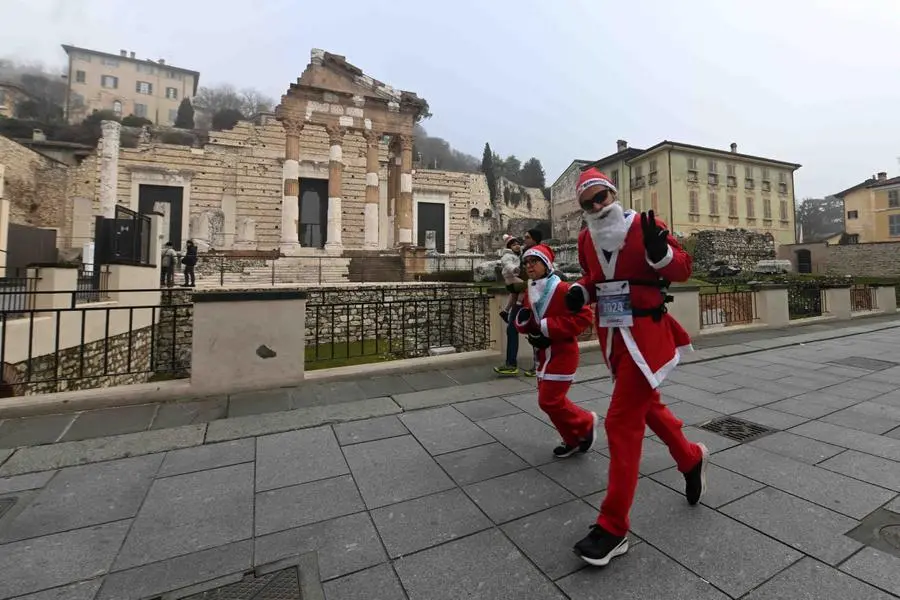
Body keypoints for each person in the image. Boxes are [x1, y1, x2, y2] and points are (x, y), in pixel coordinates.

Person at [565, 167, 709, 567]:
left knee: (620, 421)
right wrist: (580, 291)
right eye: (587, 202)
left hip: (646, 337)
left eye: (601, 197)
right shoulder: (585, 239)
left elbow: (681, 268)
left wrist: (659, 252)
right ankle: (690, 456)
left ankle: (613, 527)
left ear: (612, 194)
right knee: (648, 407)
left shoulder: (646, 225)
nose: (596, 206)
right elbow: (592, 279)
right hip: (614, 339)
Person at [513, 243, 599, 457]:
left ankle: (586, 421)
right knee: (550, 403)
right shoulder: (530, 289)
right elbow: (529, 317)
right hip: (542, 354)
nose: (529, 266)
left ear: (546, 264)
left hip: (563, 352)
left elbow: (585, 317)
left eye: (534, 261)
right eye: (526, 262)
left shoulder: (562, 289)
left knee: (549, 400)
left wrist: (546, 327)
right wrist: (523, 324)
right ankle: (572, 439)